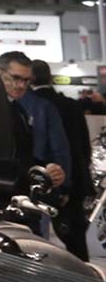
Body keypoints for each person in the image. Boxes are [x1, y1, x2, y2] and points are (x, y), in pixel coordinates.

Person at [29, 59, 92, 260]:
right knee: (76, 240)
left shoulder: (28, 105)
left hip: (43, 180)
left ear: (30, 78)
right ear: (50, 77)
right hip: (75, 180)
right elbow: (85, 146)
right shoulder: (71, 104)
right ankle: (83, 276)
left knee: (35, 239)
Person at [0, 52, 69, 189]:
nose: (21, 85)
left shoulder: (18, 109)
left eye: (26, 80)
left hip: (15, 190)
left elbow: (24, 155)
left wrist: (46, 170)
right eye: (16, 78)